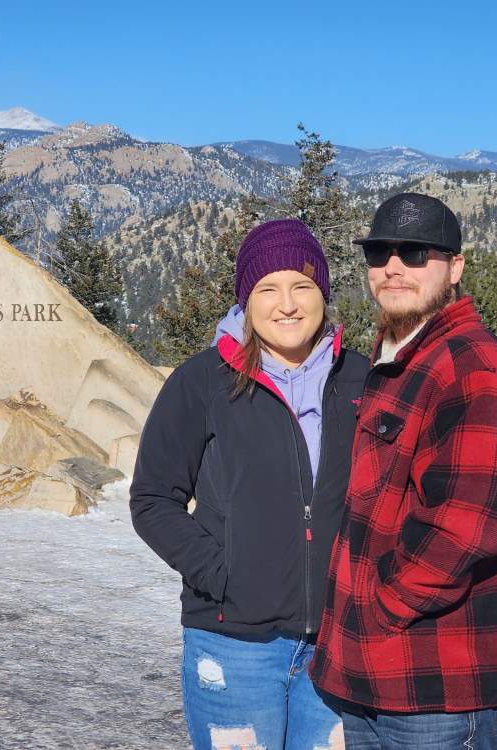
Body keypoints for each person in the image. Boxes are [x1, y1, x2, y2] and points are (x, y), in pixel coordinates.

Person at [131, 218, 368, 750]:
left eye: (302, 286)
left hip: (339, 641)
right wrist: (222, 573)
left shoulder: (362, 379)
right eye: (268, 289)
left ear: (323, 295)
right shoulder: (203, 381)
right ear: (246, 301)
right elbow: (152, 499)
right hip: (232, 640)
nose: (287, 304)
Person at [309, 193, 497, 749]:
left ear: (455, 267)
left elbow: (467, 524)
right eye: (380, 253)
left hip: (441, 686)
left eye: (415, 254)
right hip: (377, 677)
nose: (393, 267)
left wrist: (382, 607)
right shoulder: (400, 357)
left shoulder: (472, 367)